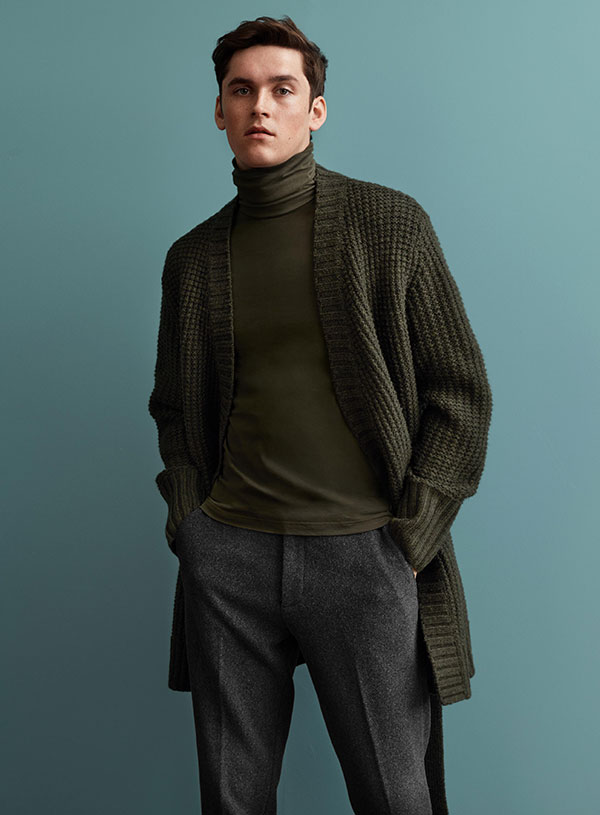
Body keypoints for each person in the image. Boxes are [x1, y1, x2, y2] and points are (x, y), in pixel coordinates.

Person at [148, 14, 492, 815]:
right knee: (232, 798)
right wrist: (192, 527)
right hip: (230, 556)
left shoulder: (389, 224)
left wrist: (412, 536)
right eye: (242, 91)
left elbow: (460, 393)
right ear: (220, 111)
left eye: (282, 88)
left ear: (316, 108)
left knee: (396, 796)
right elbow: (175, 410)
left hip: (365, 555)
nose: (261, 106)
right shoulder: (192, 259)